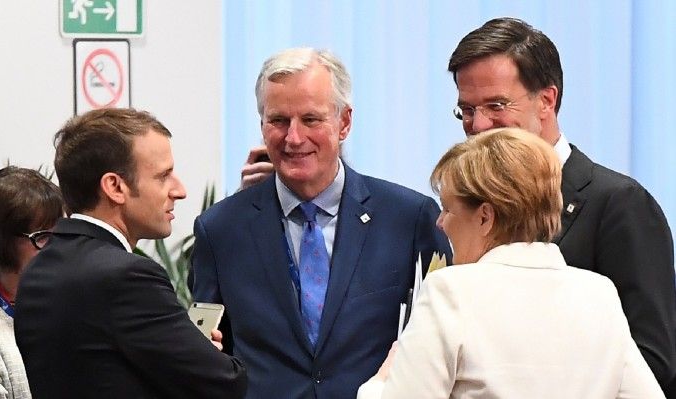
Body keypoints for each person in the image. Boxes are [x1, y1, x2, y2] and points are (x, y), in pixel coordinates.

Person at [189, 47, 452, 399]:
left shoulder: (409, 217)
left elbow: (437, 340)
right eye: (278, 120)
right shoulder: (220, 229)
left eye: (311, 119)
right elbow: (210, 352)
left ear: (344, 123)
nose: (294, 138)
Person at [446, 17, 676, 390]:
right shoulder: (468, 208)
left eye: (496, 105)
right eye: (467, 110)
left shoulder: (619, 204)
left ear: (546, 101)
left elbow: (654, 358)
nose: (479, 125)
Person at [358, 127, 664, 398]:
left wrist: (379, 382)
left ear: (485, 217)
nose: (440, 223)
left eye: (448, 209)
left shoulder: (451, 293)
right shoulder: (599, 294)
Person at [14, 108, 247, 398]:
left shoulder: (37, 271)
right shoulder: (129, 277)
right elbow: (224, 382)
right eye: (163, 176)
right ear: (115, 186)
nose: (180, 190)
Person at [0, 166, 64, 399]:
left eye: (63, 233)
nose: (60, 247)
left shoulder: (84, 300)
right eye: (43, 237)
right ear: (0, 241)